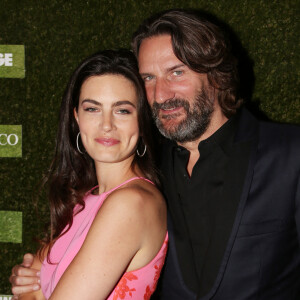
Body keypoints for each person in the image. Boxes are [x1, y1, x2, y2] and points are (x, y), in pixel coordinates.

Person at [10, 9, 300, 300]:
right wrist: (35, 277)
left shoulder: (289, 153)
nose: (160, 94)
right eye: (148, 77)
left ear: (216, 74)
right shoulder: (150, 170)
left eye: (176, 72)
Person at [10, 49, 167, 300]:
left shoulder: (132, 203)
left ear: (142, 120)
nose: (106, 125)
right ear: (76, 118)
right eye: (92, 109)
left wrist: (36, 291)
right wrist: (31, 286)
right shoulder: (88, 200)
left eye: (122, 110)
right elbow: (29, 281)